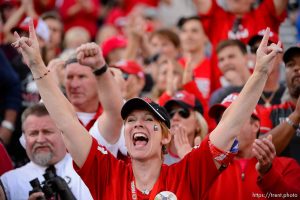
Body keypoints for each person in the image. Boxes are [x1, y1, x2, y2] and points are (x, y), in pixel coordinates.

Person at [12, 20, 282, 199]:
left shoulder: (188, 172)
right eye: (130, 120)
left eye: (147, 120)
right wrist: (37, 66)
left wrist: (259, 72)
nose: (137, 124)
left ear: (165, 136)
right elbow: (66, 123)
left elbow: (231, 124)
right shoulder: (106, 172)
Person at [205, 93, 300, 199]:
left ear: (255, 126)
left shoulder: (287, 166)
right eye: (220, 121)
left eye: (234, 120)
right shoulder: (208, 168)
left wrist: (268, 173)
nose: (225, 128)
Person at [0, 103, 93, 200]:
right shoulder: (9, 183)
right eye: (33, 133)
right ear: (23, 138)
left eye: (47, 132)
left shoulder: (89, 170)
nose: (40, 140)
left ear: (63, 134)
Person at [163, 90, 208, 165]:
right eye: (170, 114)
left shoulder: (207, 157)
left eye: (183, 113)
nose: (175, 118)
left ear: (198, 124)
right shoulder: (156, 155)